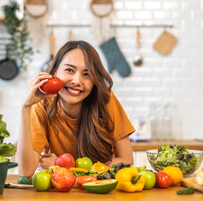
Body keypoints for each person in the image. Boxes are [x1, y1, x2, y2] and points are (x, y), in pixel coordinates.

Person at [17, 41, 135, 178]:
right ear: (55, 71)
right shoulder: (43, 106)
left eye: (86, 74)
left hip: (102, 189)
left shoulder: (105, 99)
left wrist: (63, 166)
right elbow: (25, 172)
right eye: (69, 70)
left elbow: (127, 162)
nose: (77, 81)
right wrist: (25, 107)